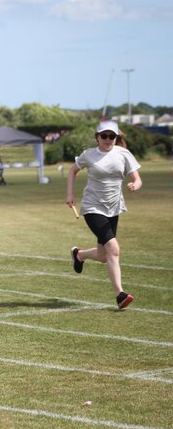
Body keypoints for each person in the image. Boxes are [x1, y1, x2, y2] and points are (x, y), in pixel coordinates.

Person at [66, 120, 142, 310]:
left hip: (114, 208)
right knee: (113, 249)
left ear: (116, 137)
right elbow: (72, 171)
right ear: (97, 137)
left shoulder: (123, 154)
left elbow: (137, 178)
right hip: (93, 207)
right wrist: (70, 194)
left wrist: (135, 185)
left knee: (102, 255)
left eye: (112, 136)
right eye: (104, 136)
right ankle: (120, 295)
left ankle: (79, 254)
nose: (108, 140)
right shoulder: (89, 155)